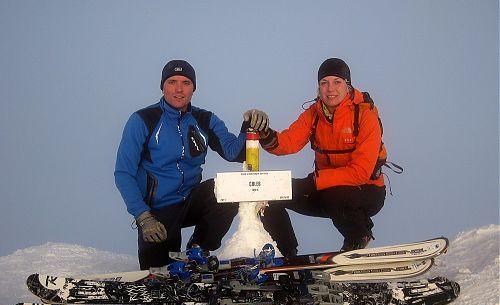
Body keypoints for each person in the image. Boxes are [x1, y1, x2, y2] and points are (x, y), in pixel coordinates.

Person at [114, 59, 269, 269]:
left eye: (186, 83)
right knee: (158, 271)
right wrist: (143, 217)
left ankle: (198, 249)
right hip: (159, 211)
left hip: (191, 200)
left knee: (225, 189)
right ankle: (163, 263)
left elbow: (234, 153)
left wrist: (249, 126)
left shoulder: (204, 119)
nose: (179, 89)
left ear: (194, 88)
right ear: (162, 86)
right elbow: (124, 173)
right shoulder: (143, 120)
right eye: (172, 82)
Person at [257, 58, 386, 256]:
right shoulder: (314, 113)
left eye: (337, 82)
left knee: (334, 196)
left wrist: (318, 182)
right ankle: (287, 254)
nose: (330, 89)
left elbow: (360, 172)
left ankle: (358, 236)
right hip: (325, 188)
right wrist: (265, 134)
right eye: (324, 83)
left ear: (347, 85)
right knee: (270, 196)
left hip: (366, 191)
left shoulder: (365, 115)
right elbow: (288, 142)